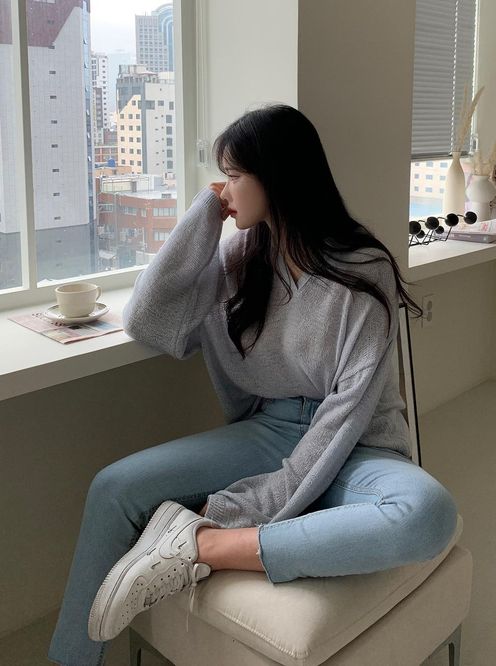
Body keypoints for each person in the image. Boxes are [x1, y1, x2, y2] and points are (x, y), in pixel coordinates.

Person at [48, 103, 458, 665]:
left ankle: (200, 545)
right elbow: (146, 319)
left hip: (358, 444)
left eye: (234, 175)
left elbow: (346, 413)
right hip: (269, 430)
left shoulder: (363, 271)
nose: (224, 188)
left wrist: (241, 512)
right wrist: (203, 217)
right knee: (112, 488)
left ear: (277, 178)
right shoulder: (238, 258)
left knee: (428, 513)